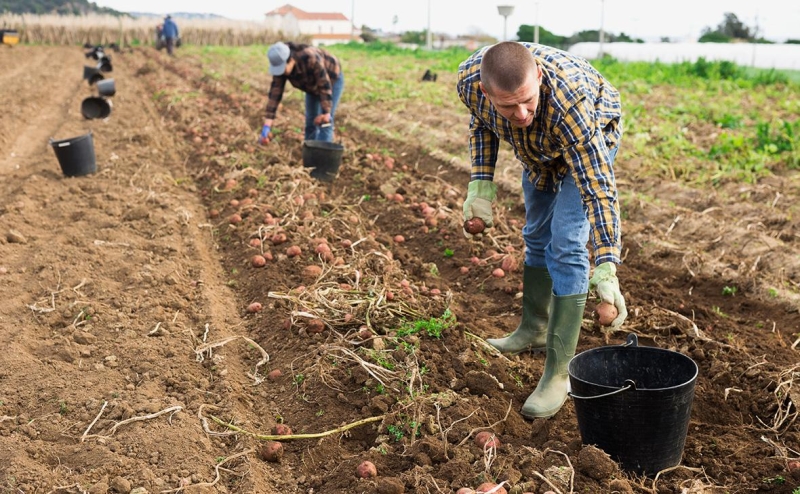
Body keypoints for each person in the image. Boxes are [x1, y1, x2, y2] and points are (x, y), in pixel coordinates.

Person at [456, 41, 628, 420]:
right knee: (536, 234)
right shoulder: (470, 83)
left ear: (539, 77)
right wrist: (481, 186)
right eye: (507, 105)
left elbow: (598, 189)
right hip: (538, 149)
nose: (519, 113)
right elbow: (483, 124)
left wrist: (606, 267)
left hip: (588, 137)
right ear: (486, 92)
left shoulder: (571, 103)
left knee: (566, 241)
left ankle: (558, 374)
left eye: (527, 101)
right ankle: (533, 328)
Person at [259, 41, 344, 145]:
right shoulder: (281, 67)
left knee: (325, 124)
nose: (281, 72)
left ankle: (322, 158)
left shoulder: (310, 57)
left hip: (331, 80)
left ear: (290, 60)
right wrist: (267, 126)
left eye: (282, 69)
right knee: (310, 122)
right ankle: (310, 155)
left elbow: (324, 85)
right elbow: (275, 94)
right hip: (311, 86)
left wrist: (326, 112)